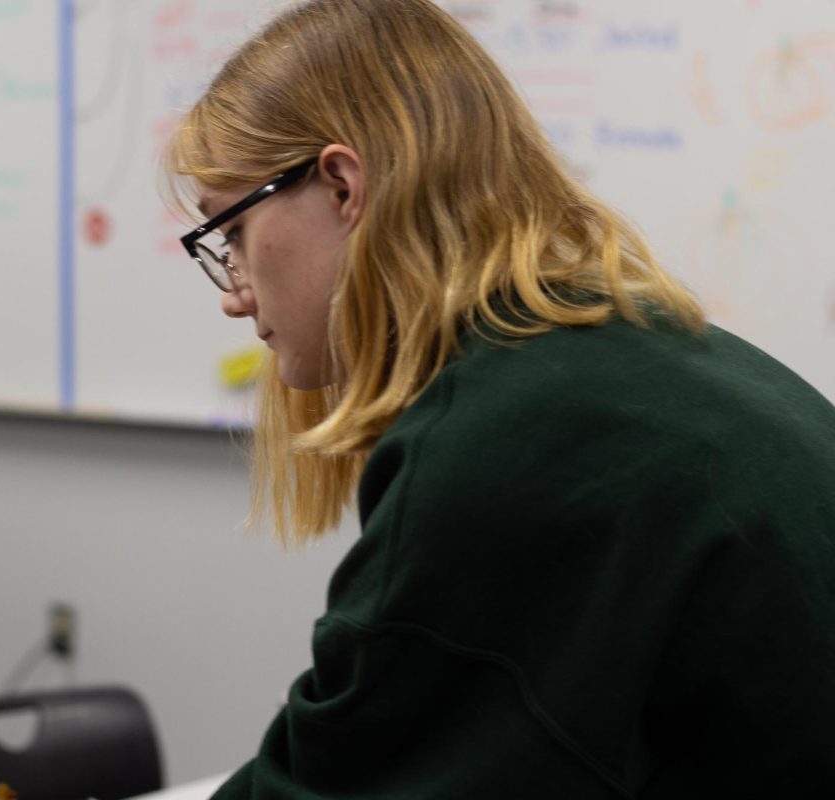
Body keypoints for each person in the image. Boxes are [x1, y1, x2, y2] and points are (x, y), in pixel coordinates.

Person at [164, 0, 835, 797]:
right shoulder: (657, 355)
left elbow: (345, 774)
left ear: (344, 187)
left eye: (230, 233)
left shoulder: (505, 444)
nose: (233, 296)